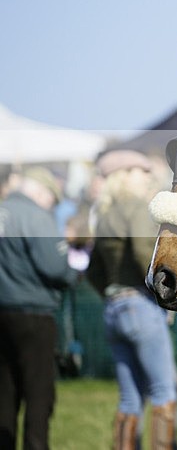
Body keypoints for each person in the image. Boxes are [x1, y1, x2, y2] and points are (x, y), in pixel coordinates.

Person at [86, 150, 177, 450]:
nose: (148, 176)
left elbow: (93, 272)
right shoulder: (138, 207)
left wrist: (112, 295)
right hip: (141, 306)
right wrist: (165, 296)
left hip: (113, 309)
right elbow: (144, 255)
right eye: (142, 171)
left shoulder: (103, 214)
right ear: (124, 175)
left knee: (129, 398)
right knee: (165, 392)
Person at [0, 166, 79, 450]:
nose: (50, 207)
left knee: (4, 394)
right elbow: (54, 267)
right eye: (51, 200)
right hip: (33, 315)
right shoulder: (35, 216)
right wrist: (73, 275)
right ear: (41, 191)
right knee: (38, 394)